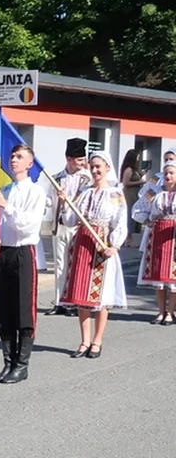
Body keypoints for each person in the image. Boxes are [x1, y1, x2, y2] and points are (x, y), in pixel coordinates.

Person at [0, 144, 47, 384]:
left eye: (19, 157)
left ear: (30, 163)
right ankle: (8, 362)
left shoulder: (35, 192)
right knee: (3, 309)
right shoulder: (1, 191)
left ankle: (22, 364)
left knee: (23, 309)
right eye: (12, 156)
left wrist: (8, 208)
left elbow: (28, 225)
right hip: (1, 254)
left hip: (22, 253)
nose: (14, 160)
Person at [58, 151, 127, 359]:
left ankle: (97, 340)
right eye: (92, 166)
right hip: (82, 243)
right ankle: (84, 340)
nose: (95, 170)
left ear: (107, 167)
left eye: (99, 166)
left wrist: (114, 245)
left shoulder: (115, 194)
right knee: (81, 294)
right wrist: (65, 202)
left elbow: (120, 221)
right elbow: (70, 220)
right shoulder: (85, 192)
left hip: (102, 243)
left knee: (101, 295)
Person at [45, 138, 91, 317]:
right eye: (79, 160)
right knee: (59, 265)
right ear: (69, 159)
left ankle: (72, 302)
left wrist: (68, 201)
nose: (82, 163)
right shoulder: (57, 178)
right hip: (60, 226)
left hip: (77, 227)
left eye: (83, 160)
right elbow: (49, 200)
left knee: (73, 265)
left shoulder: (86, 179)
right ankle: (59, 302)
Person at [136, 158, 176, 324]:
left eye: (172, 173)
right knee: (159, 276)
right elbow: (138, 208)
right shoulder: (154, 191)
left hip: (173, 236)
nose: (168, 175)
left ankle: (170, 313)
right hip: (158, 235)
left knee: (173, 277)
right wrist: (146, 221)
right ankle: (160, 311)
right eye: (166, 172)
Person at [120, 149, 147, 246]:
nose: (138, 159)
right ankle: (128, 239)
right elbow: (125, 183)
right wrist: (140, 182)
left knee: (132, 215)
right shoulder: (128, 169)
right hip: (129, 194)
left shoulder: (134, 170)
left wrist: (142, 174)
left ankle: (129, 238)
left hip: (135, 193)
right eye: (137, 157)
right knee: (129, 216)